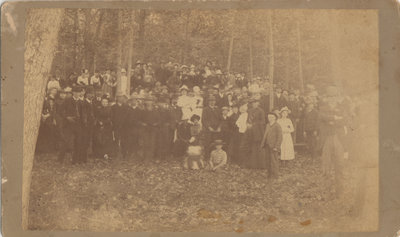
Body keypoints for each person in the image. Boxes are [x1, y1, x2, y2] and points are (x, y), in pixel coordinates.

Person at [241, 96, 267, 169]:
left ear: (258, 103)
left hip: (258, 132)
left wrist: (253, 125)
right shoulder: (249, 111)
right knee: (249, 147)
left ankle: (260, 165)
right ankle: (250, 164)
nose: (254, 104)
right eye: (252, 103)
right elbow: (247, 120)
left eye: (255, 102)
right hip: (250, 132)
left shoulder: (261, 111)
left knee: (258, 148)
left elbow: (263, 122)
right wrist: (247, 124)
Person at [261, 112, 283, 179]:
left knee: (274, 161)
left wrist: (277, 146)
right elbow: (266, 135)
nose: (270, 119)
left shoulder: (277, 126)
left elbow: (280, 137)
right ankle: (269, 174)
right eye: (268, 117)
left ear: (275, 118)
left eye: (271, 117)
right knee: (268, 160)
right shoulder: (268, 125)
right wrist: (263, 143)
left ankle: (276, 175)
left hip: (273, 147)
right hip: (267, 145)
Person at [111, 94, 130, 159]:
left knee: (124, 140)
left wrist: (126, 125)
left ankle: (124, 154)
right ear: (117, 98)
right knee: (116, 140)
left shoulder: (126, 107)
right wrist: (114, 124)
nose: (121, 99)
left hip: (124, 127)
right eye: (119, 97)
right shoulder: (113, 107)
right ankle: (115, 154)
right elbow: (112, 117)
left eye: (122, 97)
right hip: (116, 126)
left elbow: (128, 118)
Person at [202, 95, 221, 159]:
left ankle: (214, 157)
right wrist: (209, 127)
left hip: (216, 130)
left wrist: (219, 127)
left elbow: (220, 120)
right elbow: (204, 120)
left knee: (215, 143)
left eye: (213, 101)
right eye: (211, 101)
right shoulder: (205, 109)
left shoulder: (217, 109)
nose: (212, 102)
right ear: (208, 102)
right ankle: (207, 157)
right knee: (207, 143)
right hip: (208, 130)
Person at [140, 96, 160, 161]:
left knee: (152, 143)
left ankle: (151, 157)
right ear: (146, 103)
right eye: (148, 102)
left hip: (153, 129)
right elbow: (139, 120)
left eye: (150, 102)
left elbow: (159, 120)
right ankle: (145, 157)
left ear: (152, 103)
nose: (149, 103)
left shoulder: (155, 111)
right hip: (145, 129)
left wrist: (156, 123)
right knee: (146, 142)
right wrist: (142, 123)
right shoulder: (143, 111)